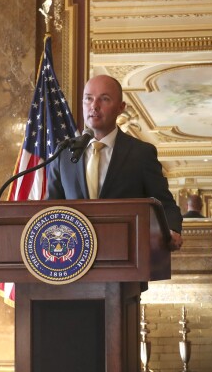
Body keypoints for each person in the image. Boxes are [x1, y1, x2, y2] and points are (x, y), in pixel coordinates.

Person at [47, 74, 183, 250]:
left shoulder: (141, 153)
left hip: (126, 259)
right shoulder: (64, 153)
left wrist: (171, 230)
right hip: (74, 261)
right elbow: (50, 208)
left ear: (121, 108)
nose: (94, 106)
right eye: (88, 99)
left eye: (104, 99)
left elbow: (164, 205)